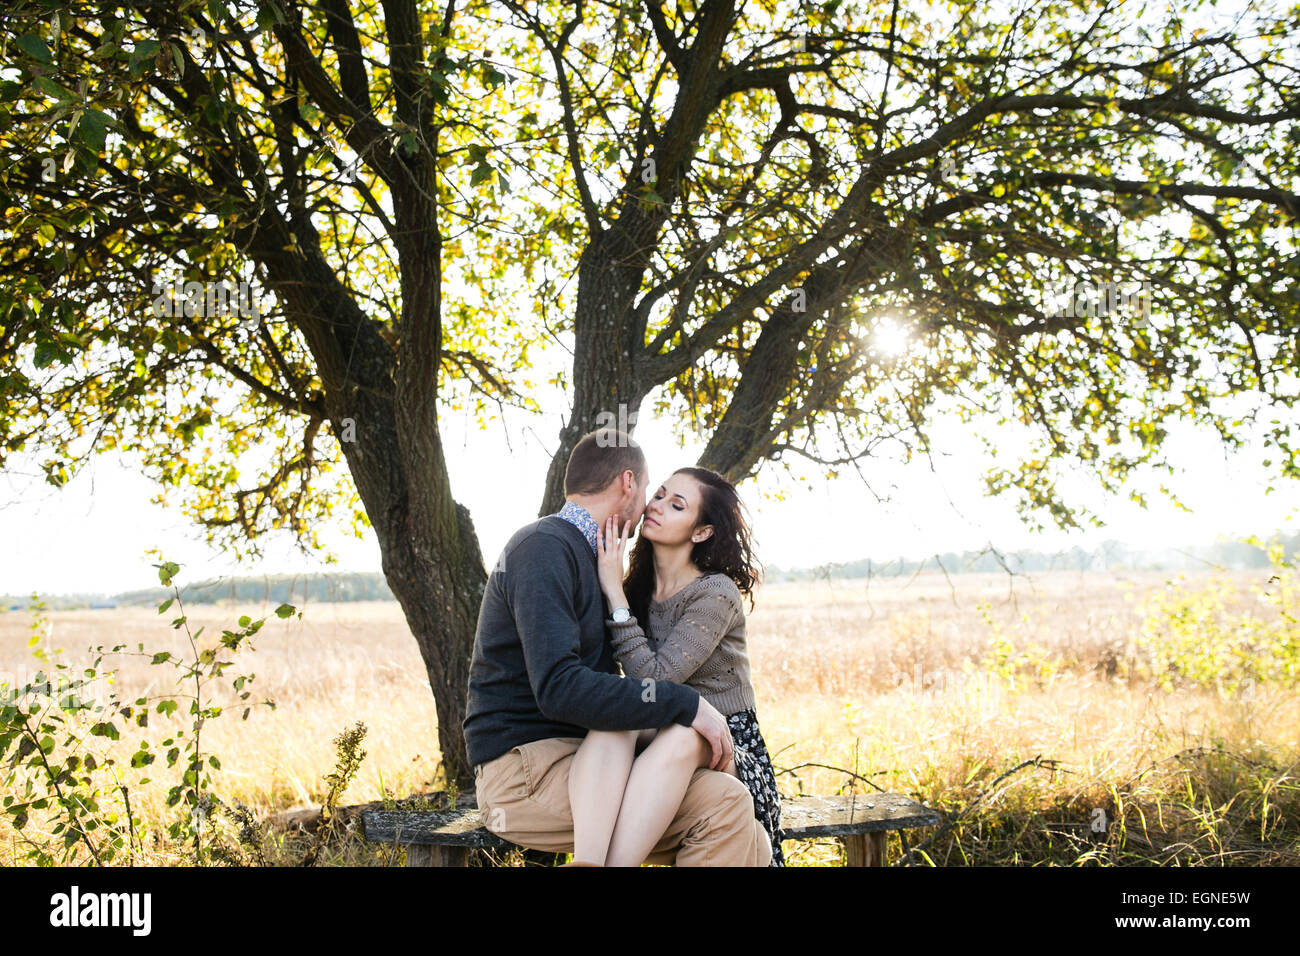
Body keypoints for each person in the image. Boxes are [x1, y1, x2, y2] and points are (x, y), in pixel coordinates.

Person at [463, 427, 772, 866]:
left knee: (731, 809)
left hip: (586, 756)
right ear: (628, 482)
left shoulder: (599, 563)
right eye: (650, 489)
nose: (651, 504)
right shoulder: (542, 548)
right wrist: (683, 704)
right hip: (524, 769)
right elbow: (560, 688)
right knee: (720, 805)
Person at [570, 466, 786, 867]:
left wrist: (612, 592)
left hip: (726, 735)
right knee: (615, 716)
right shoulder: (639, 586)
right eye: (660, 495)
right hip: (666, 724)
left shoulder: (715, 592)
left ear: (701, 532)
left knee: (682, 734)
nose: (657, 506)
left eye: (677, 505)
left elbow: (655, 680)